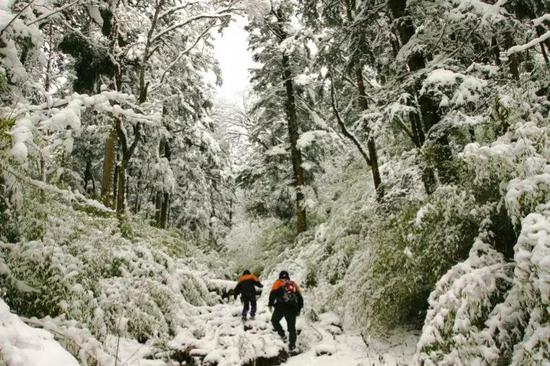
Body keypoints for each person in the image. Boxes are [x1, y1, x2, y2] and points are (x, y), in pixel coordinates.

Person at [268, 270, 303, 352]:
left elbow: (272, 294)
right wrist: (298, 309)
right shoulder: (293, 284)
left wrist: (270, 304)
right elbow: (300, 298)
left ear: (280, 276)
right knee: (292, 329)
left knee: (274, 320)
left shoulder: (277, 283)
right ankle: (292, 346)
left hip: (281, 307)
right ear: (288, 276)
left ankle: (282, 335)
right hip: (292, 308)